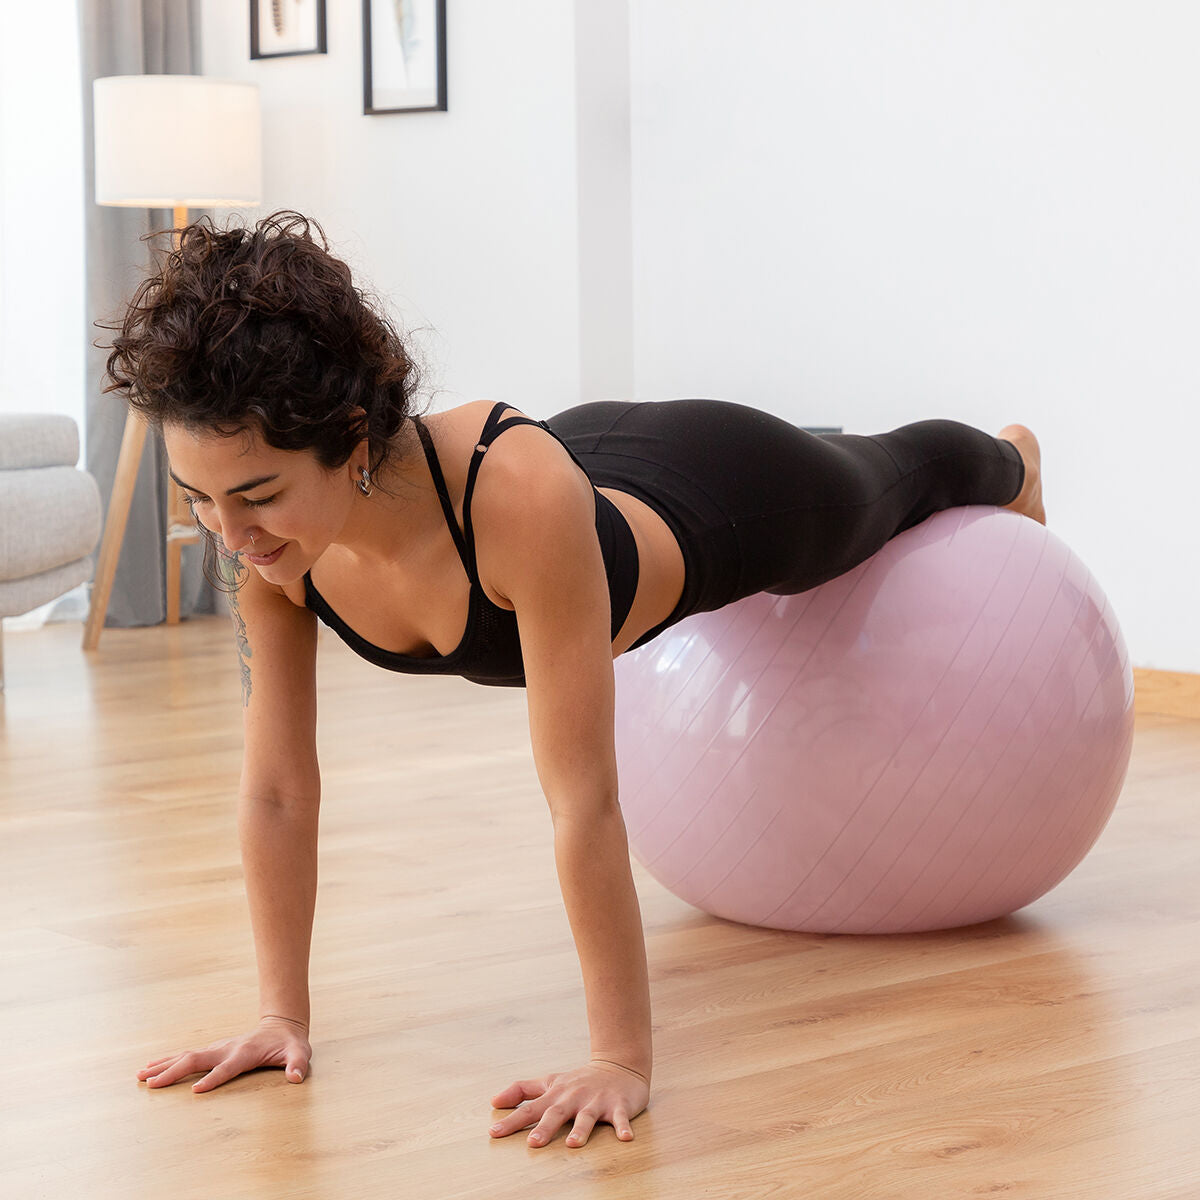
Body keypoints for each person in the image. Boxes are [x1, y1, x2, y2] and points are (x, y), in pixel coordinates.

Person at [110, 212, 1045, 1150]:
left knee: (877, 482)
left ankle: (1013, 457)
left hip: (710, 488)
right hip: (577, 460)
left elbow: (584, 799)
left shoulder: (511, 499)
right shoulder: (272, 551)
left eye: (257, 495)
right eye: (200, 500)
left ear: (351, 438)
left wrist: (621, 1059)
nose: (228, 535)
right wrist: (283, 1016)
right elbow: (276, 790)